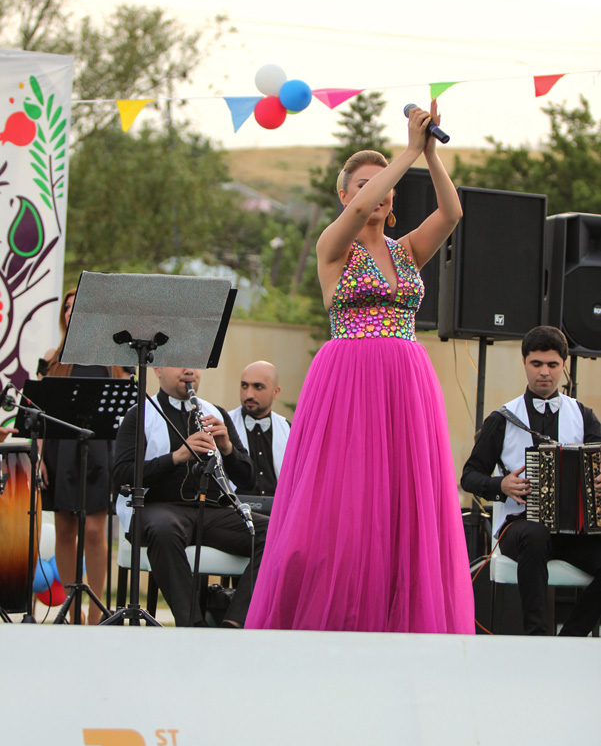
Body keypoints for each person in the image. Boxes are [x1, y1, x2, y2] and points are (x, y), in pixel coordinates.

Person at [245, 101, 475, 633]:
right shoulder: (334, 246)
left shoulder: (406, 250)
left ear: (392, 202)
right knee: (343, 503)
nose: (378, 192)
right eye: (365, 185)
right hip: (349, 381)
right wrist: (406, 151)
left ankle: (397, 618)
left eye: (385, 187)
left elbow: (452, 213)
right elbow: (357, 212)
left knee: (401, 505)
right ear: (346, 196)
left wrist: (430, 155)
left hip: (406, 380)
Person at [461, 325, 601, 636]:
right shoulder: (503, 418)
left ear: (563, 365)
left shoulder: (583, 415)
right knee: (535, 535)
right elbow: (469, 476)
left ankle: (572, 637)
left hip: (571, 530)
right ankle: (536, 638)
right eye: (536, 364)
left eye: (552, 365)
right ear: (524, 362)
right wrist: (501, 486)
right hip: (519, 527)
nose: (544, 373)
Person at [113, 366, 268, 627]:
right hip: (159, 508)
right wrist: (176, 457)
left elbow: (249, 480)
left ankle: (234, 623)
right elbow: (121, 476)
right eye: (179, 363)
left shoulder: (214, 413)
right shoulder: (140, 414)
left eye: (195, 365)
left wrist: (227, 448)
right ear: (158, 370)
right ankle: (193, 626)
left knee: (276, 532)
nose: (188, 370)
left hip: (212, 512)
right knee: (164, 529)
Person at [38, 288, 130, 624]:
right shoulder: (53, 359)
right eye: (66, 308)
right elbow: (40, 416)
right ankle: (71, 607)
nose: (70, 313)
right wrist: (38, 459)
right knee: (64, 528)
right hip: (59, 451)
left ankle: (95, 608)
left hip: (100, 450)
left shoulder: (114, 362)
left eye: (77, 308)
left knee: (93, 530)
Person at [228, 360, 291, 498]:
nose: (249, 394)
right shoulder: (224, 424)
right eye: (244, 386)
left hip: (276, 514)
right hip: (233, 512)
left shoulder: (288, 429)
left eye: (258, 387)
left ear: (276, 392)